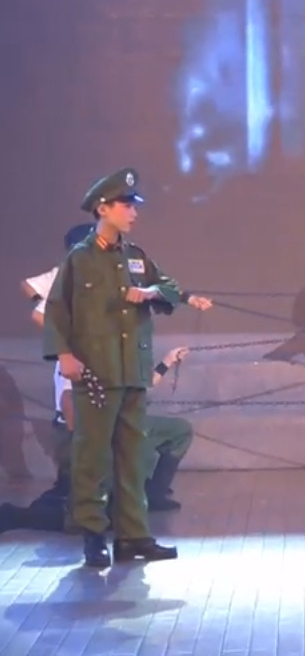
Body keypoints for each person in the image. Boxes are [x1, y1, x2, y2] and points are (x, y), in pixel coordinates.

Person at [42, 168, 186, 568]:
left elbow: (171, 289)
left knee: (132, 457)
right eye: (125, 205)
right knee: (93, 457)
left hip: (132, 371)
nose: (133, 213)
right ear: (102, 208)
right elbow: (57, 310)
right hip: (96, 371)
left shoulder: (135, 256)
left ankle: (132, 537)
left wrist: (152, 291)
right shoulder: (80, 258)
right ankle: (92, 534)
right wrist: (64, 354)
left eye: (133, 206)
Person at [22, 224, 211, 502]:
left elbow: (154, 285)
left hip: (115, 421)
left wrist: (168, 358)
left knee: (168, 432)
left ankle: (152, 495)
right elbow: (70, 406)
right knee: (132, 449)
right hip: (91, 438)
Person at [0, 346, 194, 536]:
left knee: (177, 431)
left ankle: (153, 495)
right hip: (87, 434)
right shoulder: (80, 351)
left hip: (114, 425)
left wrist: (167, 361)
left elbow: (141, 386)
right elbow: (68, 401)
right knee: (94, 518)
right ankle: (18, 515)